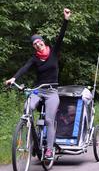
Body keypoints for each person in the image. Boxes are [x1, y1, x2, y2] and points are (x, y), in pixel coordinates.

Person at [5, 8, 71, 159]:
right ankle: (29, 135)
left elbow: (61, 36)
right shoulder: (34, 58)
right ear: (34, 46)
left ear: (43, 41)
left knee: (48, 119)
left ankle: (49, 149)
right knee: (26, 109)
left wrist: (65, 20)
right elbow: (25, 68)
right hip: (38, 90)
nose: (37, 44)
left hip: (52, 91)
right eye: (34, 44)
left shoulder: (53, 52)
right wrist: (14, 78)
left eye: (39, 41)